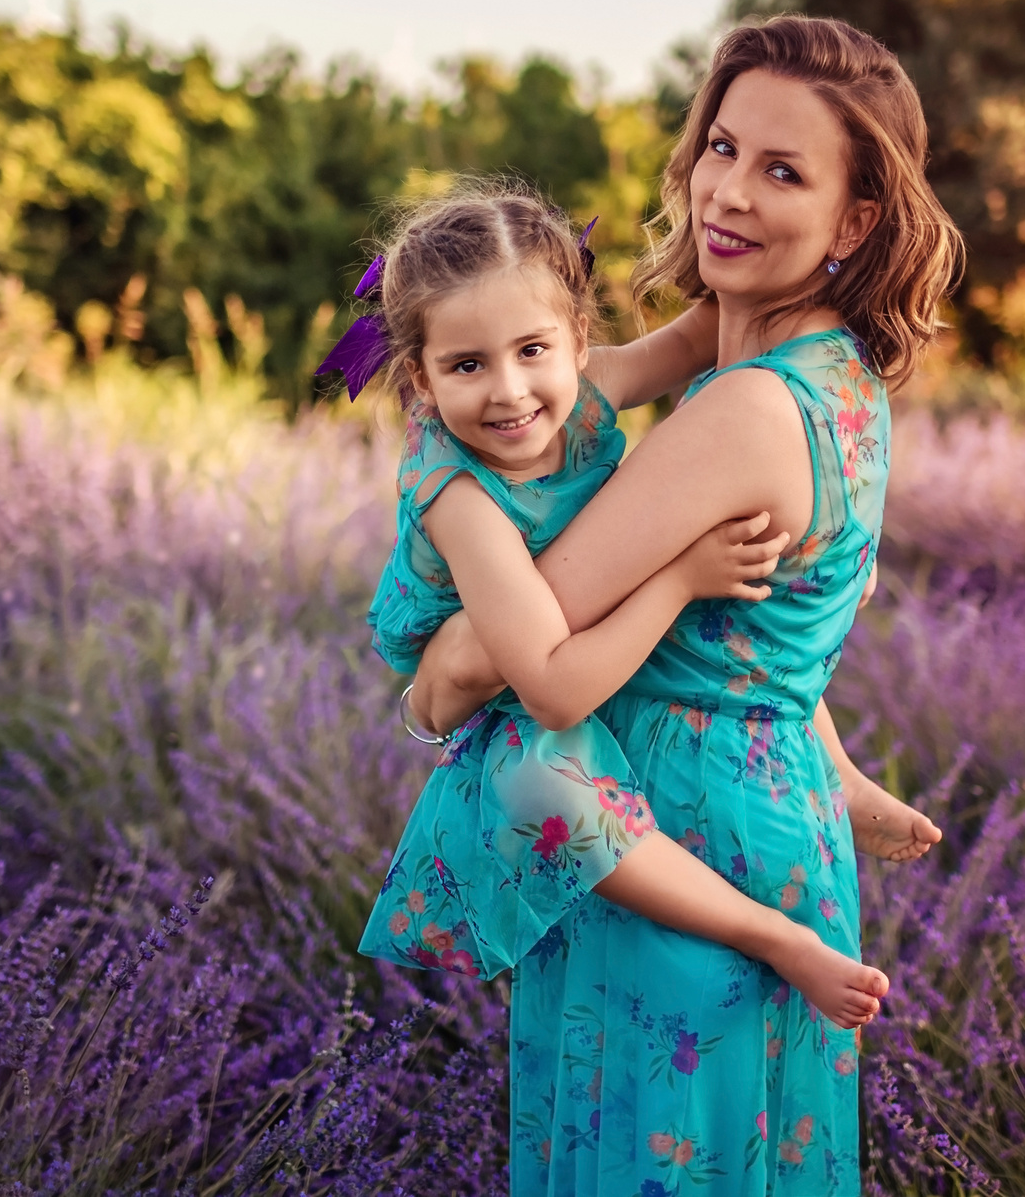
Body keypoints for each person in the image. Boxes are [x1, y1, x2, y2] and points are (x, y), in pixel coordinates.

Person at [409, 16, 961, 1195]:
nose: (727, 192)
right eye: (721, 146)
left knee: (662, 1159)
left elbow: (514, 651)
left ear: (856, 221)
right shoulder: (835, 374)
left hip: (680, 829)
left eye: (782, 171)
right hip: (778, 813)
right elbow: (578, 397)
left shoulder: (746, 412)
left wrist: (432, 679)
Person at [343, 181, 893, 1028]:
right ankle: (773, 937)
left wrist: (831, 495)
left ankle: (844, 775)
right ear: (419, 376)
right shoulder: (457, 489)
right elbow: (554, 689)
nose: (508, 392)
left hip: (576, 619)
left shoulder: (586, 384)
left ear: (577, 338)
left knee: (743, 626)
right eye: (466, 365)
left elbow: (698, 332)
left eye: (532, 349)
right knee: (555, 794)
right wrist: (676, 577)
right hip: (516, 673)